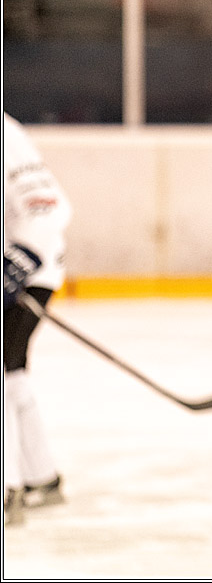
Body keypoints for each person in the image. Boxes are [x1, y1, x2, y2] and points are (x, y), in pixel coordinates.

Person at [3, 112, 72, 527]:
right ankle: (39, 478)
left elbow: (48, 206)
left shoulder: (5, 135)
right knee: (11, 371)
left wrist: (18, 261)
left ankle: (8, 486)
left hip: (30, 268)